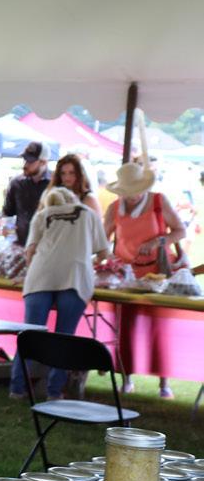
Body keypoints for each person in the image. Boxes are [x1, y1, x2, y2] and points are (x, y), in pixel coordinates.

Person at [12, 186, 111, 400]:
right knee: (64, 337)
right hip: (75, 276)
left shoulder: (42, 215)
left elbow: (30, 252)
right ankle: (54, 392)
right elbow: (104, 253)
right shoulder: (88, 213)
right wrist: (85, 257)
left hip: (40, 275)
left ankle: (17, 388)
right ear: (73, 199)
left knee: (29, 335)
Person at [104, 158, 187, 398]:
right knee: (123, 328)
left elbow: (180, 230)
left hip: (158, 274)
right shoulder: (114, 209)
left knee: (159, 328)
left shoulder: (159, 201)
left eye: (137, 190)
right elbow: (102, 240)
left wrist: (157, 241)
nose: (133, 196)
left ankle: (164, 383)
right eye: (128, 192)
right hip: (126, 277)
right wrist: (110, 258)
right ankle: (126, 379)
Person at [2, 141, 52, 245]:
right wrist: (7, 228)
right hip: (20, 244)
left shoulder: (56, 184)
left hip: (47, 245)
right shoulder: (16, 183)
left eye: (30, 161)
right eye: (24, 160)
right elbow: (8, 213)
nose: (25, 165)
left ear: (43, 162)